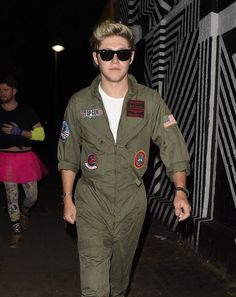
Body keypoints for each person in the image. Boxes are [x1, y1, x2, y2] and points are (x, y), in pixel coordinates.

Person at [57, 20, 191, 297]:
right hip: (92, 201)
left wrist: (180, 190)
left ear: (132, 56)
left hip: (132, 204)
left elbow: (173, 147)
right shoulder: (79, 103)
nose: (114, 60)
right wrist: (68, 197)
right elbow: (68, 155)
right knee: (95, 286)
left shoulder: (151, 101)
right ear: (96, 57)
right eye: (107, 54)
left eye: (122, 53)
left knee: (118, 282)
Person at [0, 75, 48, 248]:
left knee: (31, 197)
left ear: (14, 91)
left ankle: (25, 211)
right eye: (0, 90)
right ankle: (16, 232)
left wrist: (19, 132)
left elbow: (41, 136)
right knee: (11, 198)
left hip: (26, 159)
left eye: (5, 89)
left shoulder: (27, 111)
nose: (2, 93)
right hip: (5, 160)